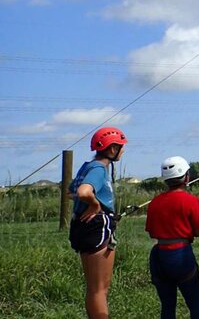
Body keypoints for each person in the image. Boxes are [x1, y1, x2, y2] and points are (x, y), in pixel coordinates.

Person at [68, 126, 127, 319]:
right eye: (121, 147)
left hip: (83, 227)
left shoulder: (87, 167)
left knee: (94, 288)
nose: (123, 150)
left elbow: (71, 192)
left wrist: (92, 203)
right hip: (96, 227)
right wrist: (94, 205)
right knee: (100, 290)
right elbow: (83, 192)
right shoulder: (99, 169)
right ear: (112, 150)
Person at [145, 156, 199, 319]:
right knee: (195, 305)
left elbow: (152, 232)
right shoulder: (191, 200)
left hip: (159, 255)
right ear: (186, 177)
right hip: (181, 256)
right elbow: (198, 231)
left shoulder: (155, 202)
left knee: (167, 307)